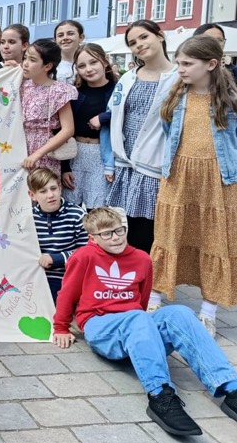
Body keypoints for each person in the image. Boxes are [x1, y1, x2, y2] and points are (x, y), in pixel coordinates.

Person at [53, 207, 237, 437]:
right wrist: (60, 327)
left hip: (136, 325)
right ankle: (160, 394)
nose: (116, 237)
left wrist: (143, 333)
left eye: (119, 230)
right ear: (93, 238)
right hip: (101, 325)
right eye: (106, 234)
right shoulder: (83, 257)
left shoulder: (141, 259)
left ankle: (230, 387)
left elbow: (142, 298)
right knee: (137, 316)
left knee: (179, 312)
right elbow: (67, 294)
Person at [148, 35, 237, 336]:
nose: (181, 69)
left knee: (215, 241)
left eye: (187, 63)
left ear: (211, 64)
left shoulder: (230, 100)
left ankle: (208, 312)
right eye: (179, 63)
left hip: (218, 179)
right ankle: (154, 300)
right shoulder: (174, 96)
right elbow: (168, 131)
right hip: (179, 176)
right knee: (168, 235)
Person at [105, 20, 177, 257]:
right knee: (126, 228)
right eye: (132, 43)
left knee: (151, 229)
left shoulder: (178, 77)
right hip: (126, 162)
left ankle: (149, 276)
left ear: (160, 36)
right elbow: (115, 115)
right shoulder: (128, 78)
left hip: (155, 162)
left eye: (144, 37)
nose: (139, 45)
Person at [61, 44, 117, 210]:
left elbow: (126, 114)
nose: (89, 69)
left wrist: (103, 117)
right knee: (71, 208)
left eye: (93, 62)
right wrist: (64, 167)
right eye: (82, 66)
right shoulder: (75, 93)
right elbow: (63, 129)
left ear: (104, 62)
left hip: (102, 156)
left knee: (97, 210)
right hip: (75, 154)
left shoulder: (118, 89)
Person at [28, 169, 87, 302]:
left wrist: (58, 258)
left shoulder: (77, 214)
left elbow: (88, 251)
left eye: (53, 188)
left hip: (69, 275)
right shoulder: (28, 218)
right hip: (38, 276)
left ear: (60, 188)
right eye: (43, 191)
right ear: (32, 195)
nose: (50, 195)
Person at [20, 39, 78, 175]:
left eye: (32, 60)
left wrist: (38, 154)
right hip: (19, 146)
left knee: (44, 186)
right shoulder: (21, 86)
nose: (25, 63)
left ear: (47, 66)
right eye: (25, 58)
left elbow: (68, 129)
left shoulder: (59, 90)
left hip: (46, 151)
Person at [54, 20, 85, 85]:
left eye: (70, 34)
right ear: (55, 40)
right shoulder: (50, 65)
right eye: (60, 35)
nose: (65, 38)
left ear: (81, 37)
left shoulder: (91, 62)